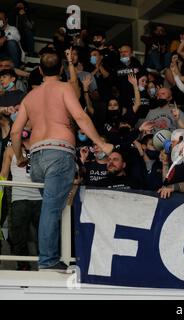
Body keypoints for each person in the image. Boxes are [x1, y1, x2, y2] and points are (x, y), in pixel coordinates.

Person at [10, 51, 113, 271]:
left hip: (35, 159)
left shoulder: (29, 97)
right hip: (58, 153)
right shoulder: (65, 88)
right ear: (61, 70)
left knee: (51, 208)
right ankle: (48, 261)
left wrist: (19, 156)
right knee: (51, 210)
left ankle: (52, 257)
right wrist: (101, 144)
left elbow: (15, 132)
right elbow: (80, 117)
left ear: (39, 70)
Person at [0, 127, 41, 271]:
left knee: (43, 234)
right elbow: (3, 175)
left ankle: (46, 265)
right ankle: (23, 266)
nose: (24, 130)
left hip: (40, 197)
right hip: (19, 197)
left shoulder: (40, 147)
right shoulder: (10, 150)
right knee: (19, 235)